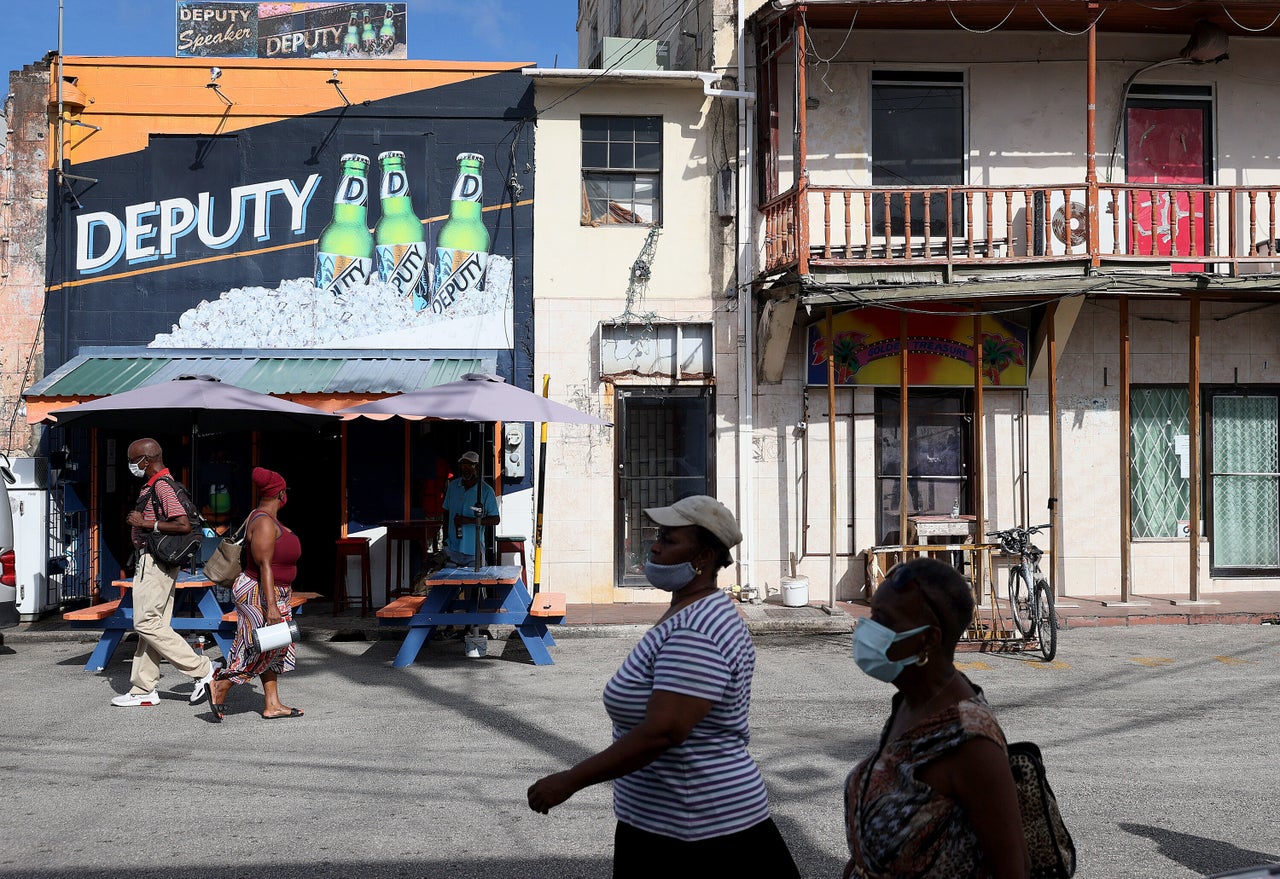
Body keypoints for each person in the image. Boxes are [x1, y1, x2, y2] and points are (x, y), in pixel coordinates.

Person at [527, 495, 799, 878]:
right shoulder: (688, 611)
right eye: (658, 536)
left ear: (703, 557)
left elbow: (662, 732)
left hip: (702, 832)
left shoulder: (697, 629)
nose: (654, 546)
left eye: (670, 540)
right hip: (667, 822)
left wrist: (570, 781)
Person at [844, 557, 1029, 879]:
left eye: (883, 620)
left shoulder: (971, 741)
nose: (867, 629)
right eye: (872, 614)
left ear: (928, 639)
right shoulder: (909, 701)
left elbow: (1012, 868)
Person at [111, 438, 219, 708]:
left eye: (133, 459)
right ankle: (143, 688)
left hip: (154, 562)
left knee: (146, 623)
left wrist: (144, 522)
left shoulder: (161, 486)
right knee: (154, 624)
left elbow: (182, 524)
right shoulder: (158, 484)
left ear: (146, 461)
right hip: (159, 562)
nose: (131, 465)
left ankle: (203, 668)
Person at [207, 467, 304, 721]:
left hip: (273, 592)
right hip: (259, 592)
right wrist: (271, 606)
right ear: (281, 493)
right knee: (259, 648)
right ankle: (220, 685)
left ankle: (272, 704)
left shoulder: (267, 519)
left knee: (271, 646)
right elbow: (265, 565)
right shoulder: (263, 522)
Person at [441, 450, 500, 567]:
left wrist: (470, 521)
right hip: (453, 548)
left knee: (473, 583)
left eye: (469, 465)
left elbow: (495, 519)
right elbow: (446, 513)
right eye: (463, 465)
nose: (465, 469)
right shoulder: (453, 486)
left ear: (477, 467)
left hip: (474, 550)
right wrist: (445, 538)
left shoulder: (486, 491)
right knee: (449, 582)